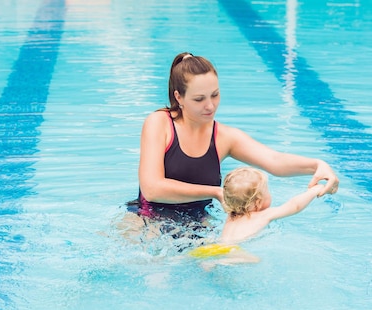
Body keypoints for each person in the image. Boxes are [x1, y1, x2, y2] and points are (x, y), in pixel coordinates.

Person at [134, 51, 338, 221]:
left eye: (215, 95)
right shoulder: (160, 123)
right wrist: (214, 191)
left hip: (198, 223)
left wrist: (317, 165)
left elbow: (275, 160)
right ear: (179, 97)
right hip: (148, 219)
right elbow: (152, 189)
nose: (210, 106)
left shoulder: (223, 137)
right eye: (199, 99)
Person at [189, 167, 323, 262]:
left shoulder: (232, 212)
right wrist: (313, 191)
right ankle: (218, 262)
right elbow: (294, 206)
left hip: (212, 246)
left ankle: (209, 262)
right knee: (255, 260)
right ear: (259, 202)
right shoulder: (264, 215)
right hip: (231, 249)